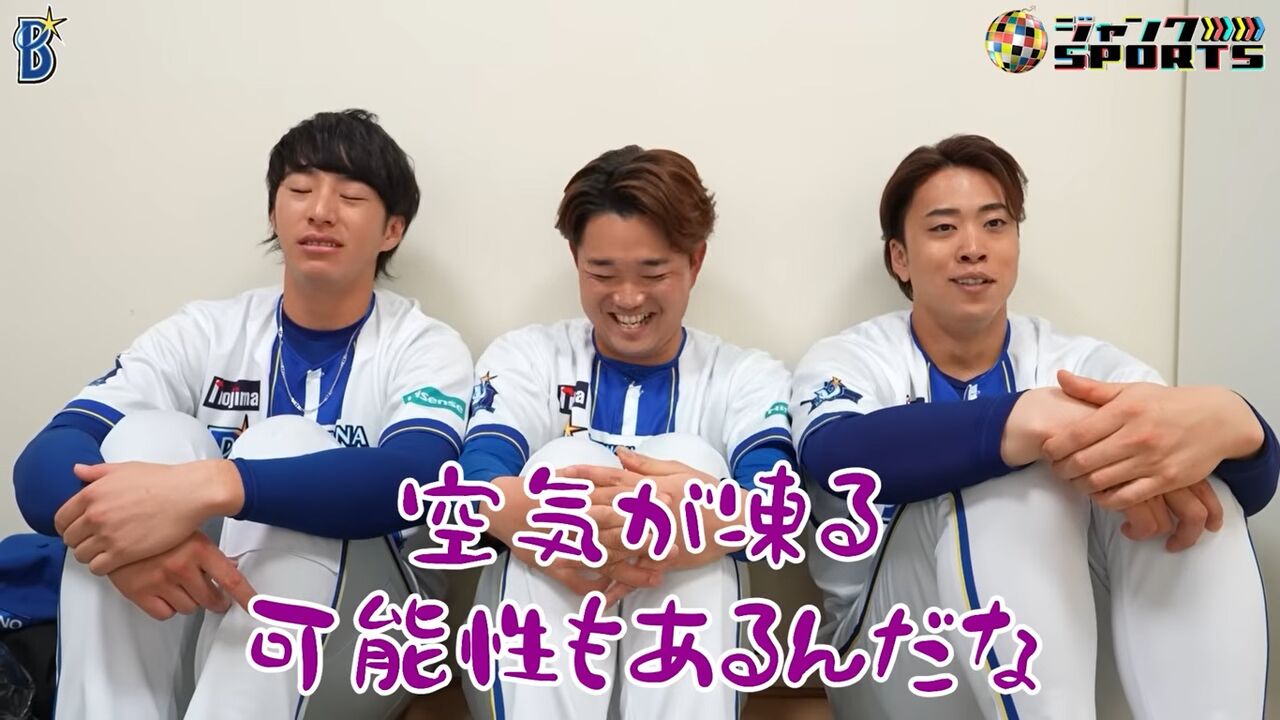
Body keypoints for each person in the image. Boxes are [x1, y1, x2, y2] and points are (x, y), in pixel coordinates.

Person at [791, 134, 1278, 719]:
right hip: (897, 659)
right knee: (1013, 482)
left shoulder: (1076, 360)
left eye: (995, 224)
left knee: (1168, 476)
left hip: (1065, 667)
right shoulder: (852, 357)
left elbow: (1229, 490)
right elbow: (836, 458)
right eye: (944, 228)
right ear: (900, 257)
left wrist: (1242, 425)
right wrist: (1023, 421)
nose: (974, 248)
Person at [12, 109, 473, 720]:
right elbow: (44, 462)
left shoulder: (423, 345)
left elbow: (417, 479)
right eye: (300, 190)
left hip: (365, 639)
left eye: (351, 197)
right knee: (147, 438)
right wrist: (139, 549)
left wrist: (218, 485)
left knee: (282, 444)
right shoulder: (207, 329)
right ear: (273, 214)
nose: (320, 211)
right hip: (187, 599)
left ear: (392, 229)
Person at [458, 145, 796, 719]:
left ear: (696, 260)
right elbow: (475, 486)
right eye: (603, 273)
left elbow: (776, 507)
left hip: (687, 654)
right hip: (535, 656)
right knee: (561, 464)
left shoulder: (745, 375)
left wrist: (680, 520)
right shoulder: (526, 356)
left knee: (695, 466)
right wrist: (584, 522)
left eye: (654, 273)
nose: (629, 298)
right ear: (575, 259)